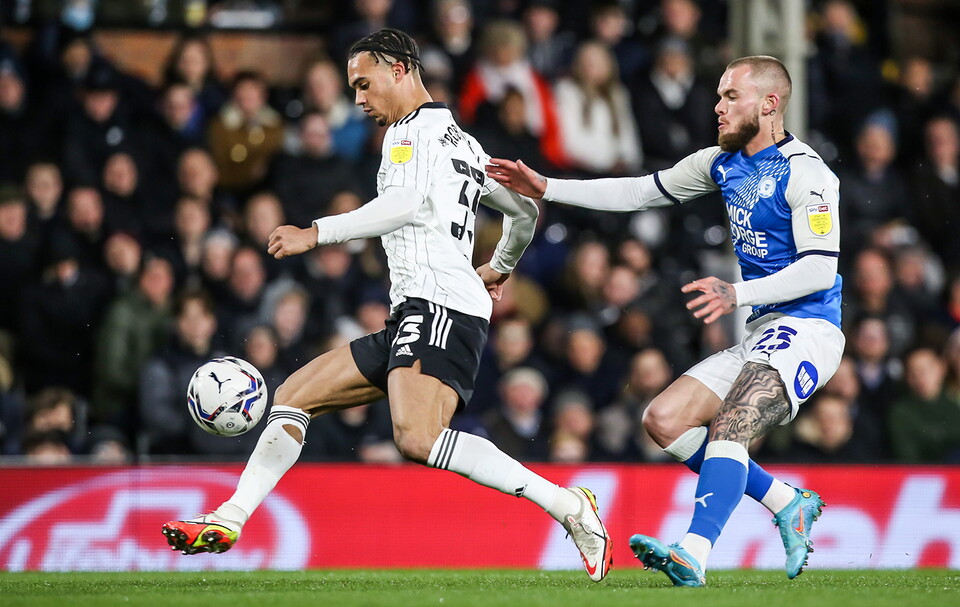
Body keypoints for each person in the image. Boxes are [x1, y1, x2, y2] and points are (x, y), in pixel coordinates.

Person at [162, 28, 612, 582]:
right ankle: (230, 517)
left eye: (363, 83)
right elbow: (524, 213)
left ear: (398, 70)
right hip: (421, 309)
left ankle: (569, 506)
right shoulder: (464, 144)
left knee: (417, 437)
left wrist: (317, 232)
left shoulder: (408, 134)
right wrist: (498, 266)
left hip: (438, 305)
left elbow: (403, 203)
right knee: (293, 397)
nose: (358, 98)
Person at [487, 55, 844, 586]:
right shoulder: (720, 163)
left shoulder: (808, 173)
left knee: (731, 424)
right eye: (719, 95)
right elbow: (639, 191)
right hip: (761, 331)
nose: (718, 107)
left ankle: (693, 553)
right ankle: (785, 501)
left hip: (809, 329)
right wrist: (548, 188)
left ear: (770, 104)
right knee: (664, 420)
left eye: (731, 97)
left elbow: (819, 268)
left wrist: (737, 292)